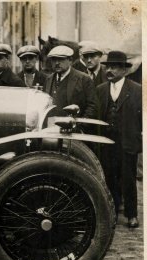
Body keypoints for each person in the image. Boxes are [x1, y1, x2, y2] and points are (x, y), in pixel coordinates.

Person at [95, 51, 142, 228]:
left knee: (128, 178)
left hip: (127, 141)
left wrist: (139, 139)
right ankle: (112, 213)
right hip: (106, 142)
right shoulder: (100, 90)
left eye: (114, 67)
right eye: (108, 67)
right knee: (109, 177)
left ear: (124, 70)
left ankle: (131, 215)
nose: (110, 70)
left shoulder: (136, 90)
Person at [44, 45, 98, 118]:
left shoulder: (84, 79)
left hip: (74, 126)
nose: (57, 63)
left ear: (70, 60)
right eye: (54, 59)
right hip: (51, 126)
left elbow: (92, 107)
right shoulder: (48, 79)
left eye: (61, 59)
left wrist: (80, 125)